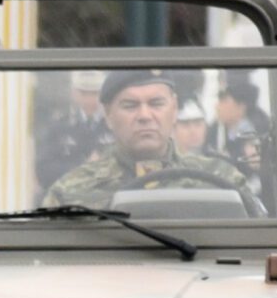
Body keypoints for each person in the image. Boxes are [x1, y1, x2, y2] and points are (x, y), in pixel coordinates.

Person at [44, 70, 254, 209]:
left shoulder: (221, 181)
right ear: (108, 115)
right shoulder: (71, 193)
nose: (145, 115)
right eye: (130, 106)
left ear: (173, 110)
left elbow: (255, 251)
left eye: (156, 103)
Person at [36, 70, 109, 191]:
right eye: (84, 93)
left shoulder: (114, 125)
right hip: (69, 195)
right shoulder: (60, 126)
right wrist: (83, 168)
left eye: (95, 93)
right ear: (74, 93)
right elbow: (44, 171)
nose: (89, 99)